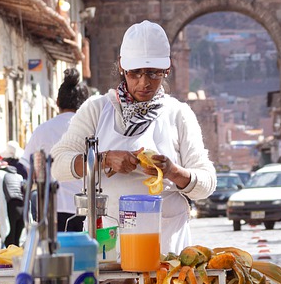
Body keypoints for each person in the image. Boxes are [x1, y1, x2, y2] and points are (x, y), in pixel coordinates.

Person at [51, 20, 216, 254]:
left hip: (166, 244)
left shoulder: (178, 114)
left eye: (153, 74)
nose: (144, 82)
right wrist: (104, 159)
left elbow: (207, 184)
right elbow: (58, 165)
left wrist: (171, 171)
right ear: (121, 68)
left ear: (166, 70)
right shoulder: (96, 110)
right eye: (135, 73)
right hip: (109, 241)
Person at [24, 68, 91, 232]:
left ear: (57, 102)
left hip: (51, 209)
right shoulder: (92, 129)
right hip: (86, 210)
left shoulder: (42, 130)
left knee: (54, 255)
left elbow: (28, 169)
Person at [0, 141, 27, 247]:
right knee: (17, 243)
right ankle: (19, 263)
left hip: (9, 209)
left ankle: (11, 263)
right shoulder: (17, 174)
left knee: (9, 243)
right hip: (23, 208)